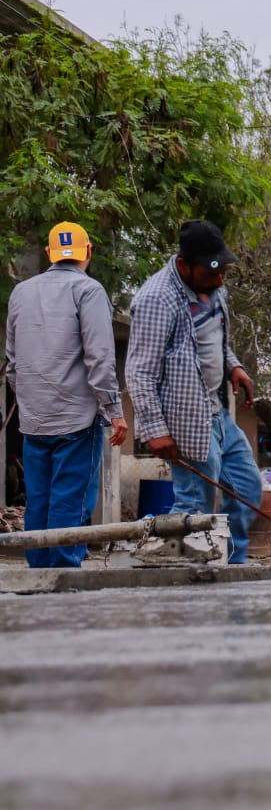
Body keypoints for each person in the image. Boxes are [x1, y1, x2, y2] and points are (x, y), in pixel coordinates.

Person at [127, 219, 260, 564]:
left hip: (218, 412)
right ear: (184, 265)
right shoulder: (157, 299)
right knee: (194, 502)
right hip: (185, 420)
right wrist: (155, 431)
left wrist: (234, 365)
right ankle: (171, 564)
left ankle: (231, 561)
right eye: (210, 274)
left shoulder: (216, 289)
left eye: (223, 273)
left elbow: (215, 339)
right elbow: (140, 371)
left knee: (247, 487)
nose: (218, 281)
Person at [3, 221, 128, 568]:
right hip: (76, 420)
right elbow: (100, 358)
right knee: (69, 502)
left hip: (33, 421)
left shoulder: (21, 293)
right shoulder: (88, 291)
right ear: (88, 252)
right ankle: (63, 578)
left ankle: (37, 577)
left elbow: (13, 364)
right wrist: (114, 411)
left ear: (49, 254)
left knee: (39, 502)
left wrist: (29, 401)